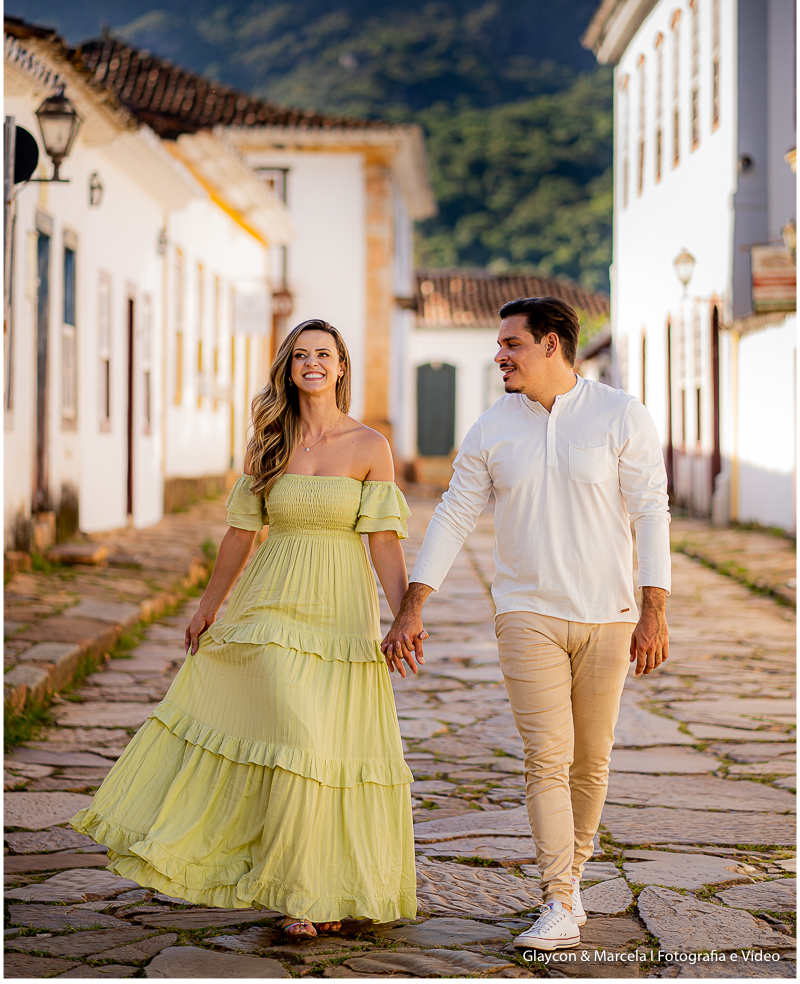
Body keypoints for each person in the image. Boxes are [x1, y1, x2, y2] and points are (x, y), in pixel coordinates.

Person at [71, 318, 417, 937]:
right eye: (301, 355)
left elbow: (384, 542)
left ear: (341, 366)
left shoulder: (370, 445)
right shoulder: (269, 443)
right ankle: (284, 878)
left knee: (324, 750)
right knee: (294, 732)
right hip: (269, 604)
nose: (312, 363)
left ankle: (312, 892)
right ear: (289, 367)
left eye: (324, 354)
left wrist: (404, 616)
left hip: (339, 610)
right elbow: (241, 531)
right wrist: (209, 605)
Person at [381, 296, 670, 952]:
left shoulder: (619, 414)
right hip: (525, 613)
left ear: (551, 346)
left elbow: (652, 509)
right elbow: (455, 513)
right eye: (499, 344)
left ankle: (574, 872)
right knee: (547, 756)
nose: (499, 355)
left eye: (511, 344)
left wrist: (654, 610)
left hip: (608, 615)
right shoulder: (491, 427)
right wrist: (414, 602)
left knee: (591, 762)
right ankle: (558, 898)